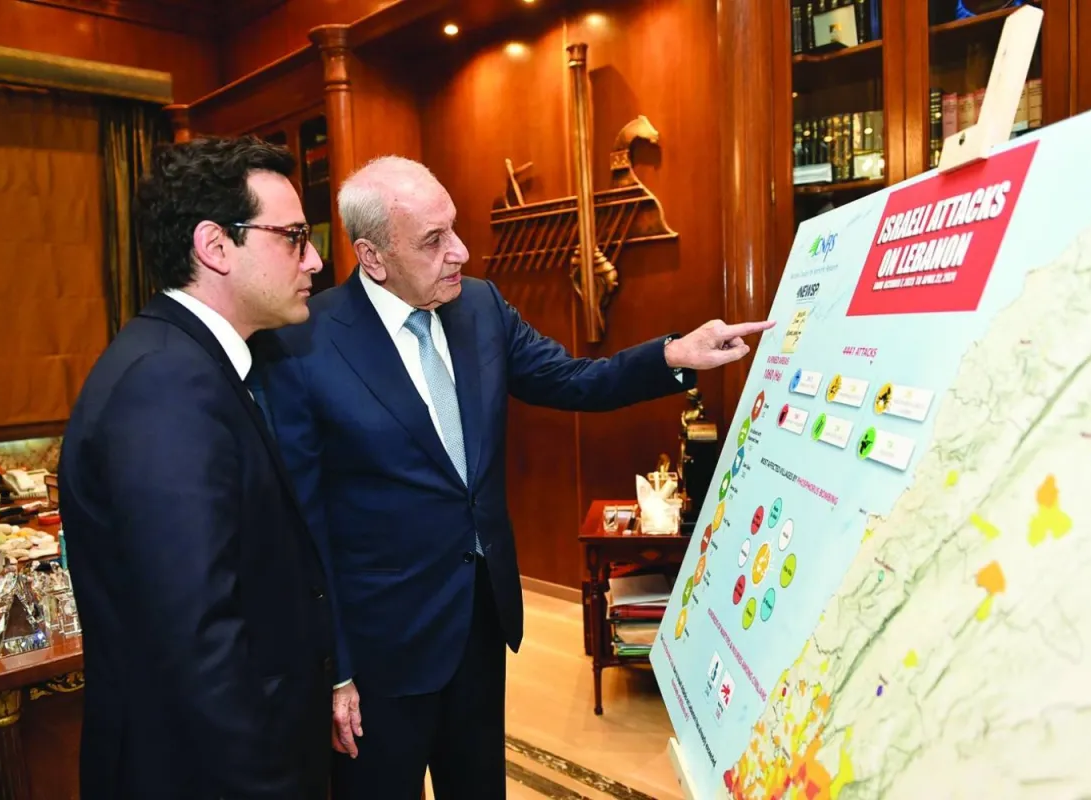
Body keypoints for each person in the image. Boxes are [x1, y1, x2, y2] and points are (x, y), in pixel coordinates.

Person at [255, 155, 774, 799]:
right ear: (373, 256)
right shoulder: (303, 342)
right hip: (379, 651)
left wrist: (673, 355)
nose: (460, 252)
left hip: (479, 619)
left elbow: (573, 379)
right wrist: (335, 670)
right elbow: (301, 526)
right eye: (433, 240)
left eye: (454, 228)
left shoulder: (480, 306)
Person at [58, 136, 334, 800]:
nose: (316, 260)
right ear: (215, 246)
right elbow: (198, 637)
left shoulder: (189, 362)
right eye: (294, 237)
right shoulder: (167, 384)